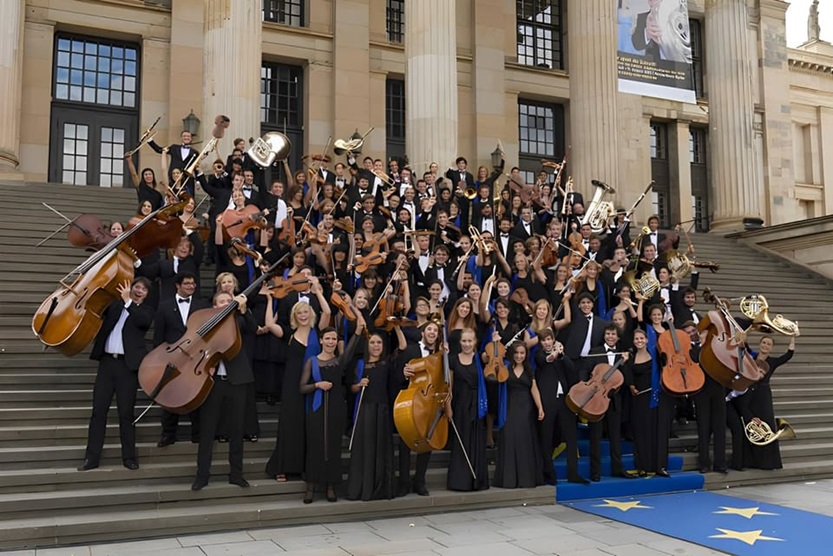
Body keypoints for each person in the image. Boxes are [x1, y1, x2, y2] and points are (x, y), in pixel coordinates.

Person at [78, 277, 153, 472]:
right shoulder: (115, 306)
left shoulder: (145, 311)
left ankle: (129, 458)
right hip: (107, 363)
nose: (139, 290)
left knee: (126, 413)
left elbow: (141, 322)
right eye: (136, 286)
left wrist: (129, 301)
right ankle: (91, 458)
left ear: (147, 295)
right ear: (130, 287)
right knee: (98, 411)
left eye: (143, 289)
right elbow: (97, 310)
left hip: (127, 367)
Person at [191, 291, 257, 491]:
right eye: (222, 301)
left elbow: (251, 329)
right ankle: (202, 475)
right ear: (214, 306)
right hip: (212, 382)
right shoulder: (207, 322)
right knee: (208, 429)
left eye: (230, 301)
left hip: (237, 380)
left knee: (237, 429)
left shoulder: (239, 319)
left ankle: (236, 474)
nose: (227, 304)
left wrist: (244, 310)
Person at [299, 325, 362, 503]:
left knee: (333, 447)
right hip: (317, 409)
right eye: (327, 338)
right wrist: (317, 385)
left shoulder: (339, 361)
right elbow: (302, 387)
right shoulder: (312, 361)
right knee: (315, 446)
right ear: (321, 340)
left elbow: (350, 349)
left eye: (334, 339)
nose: (330, 342)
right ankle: (310, 487)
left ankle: (331, 487)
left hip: (336, 408)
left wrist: (357, 330)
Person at [346, 327, 404, 501]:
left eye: (379, 342)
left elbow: (402, 347)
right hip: (365, 410)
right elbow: (352, 388)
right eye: (372, 342)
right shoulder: (360, 364)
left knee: (381, 450)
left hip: (382, 410)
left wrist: (397, 327)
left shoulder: (387, 363)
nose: (376, 345)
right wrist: (359, 384)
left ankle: (380, 488)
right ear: (367, 345)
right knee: (365, 449)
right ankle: (363, 488)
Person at [153, 272, 207, 448]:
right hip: (172, 357)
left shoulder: (201, 305)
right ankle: (168, 434)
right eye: (187, 283)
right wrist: (159, 358)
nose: (191, 286)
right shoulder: (164, 307)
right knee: (170, 395)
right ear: (178, 285)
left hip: (194, 357)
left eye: (193, 283)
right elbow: (158, 336)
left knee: (195, 393)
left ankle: (198, 433)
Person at [534, 329, 587, 484]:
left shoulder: (561, 356)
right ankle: (548, 473)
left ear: (553, 340)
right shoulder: (539, 355)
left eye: (549, 339)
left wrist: (562, 355)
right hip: (548, 402)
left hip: (565, 401)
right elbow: (546, 360)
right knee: (546, 437)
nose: (546, 343)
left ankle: (573, 473)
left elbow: (572, 371)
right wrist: (556, 354)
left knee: (571, 436)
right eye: (543, 340)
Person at [395, 320, 441, 496]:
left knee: (427, 440)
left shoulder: (439, 354)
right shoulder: (410, 350)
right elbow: (396, 372)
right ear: (422, 332)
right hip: (412, 400)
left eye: (435, 330)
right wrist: (403, 373)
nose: (432, 332)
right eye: (429, 329)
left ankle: (420, 481)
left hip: (430, 400)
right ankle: (404, 481)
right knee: (406, 440)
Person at [492, 343, 545, 488]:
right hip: (508, 406)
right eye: (516, 353)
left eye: (522, 353)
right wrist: (496, 343)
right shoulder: (506, 368)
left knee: (524, 440)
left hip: (526, 408)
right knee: (509, 438)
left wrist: (540, 407)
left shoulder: (529, 369)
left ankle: (526, 479)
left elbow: (534, 389)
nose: (519, 356)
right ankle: (509, 479)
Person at [744, 334, 797, 470]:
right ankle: (751, 460)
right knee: (751, 425)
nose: (765, 346)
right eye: (764, 343)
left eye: (768, 344)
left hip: (763, 396)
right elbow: (744, 344)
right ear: (760, 344)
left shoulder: (772, 361)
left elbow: (788, 355)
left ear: (771, 347)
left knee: (766, 425)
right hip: (749, 393)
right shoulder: (752, 357)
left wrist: (793, 337)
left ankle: (767, 462)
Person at [586, 325, 631, 481]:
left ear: (618, 337)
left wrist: (624, 363)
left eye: (613, 334)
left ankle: (617, 469)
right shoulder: (595, 351)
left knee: (615, 437)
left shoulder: (622, 355)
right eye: (607, 333)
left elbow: (626, 380)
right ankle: (595, 472)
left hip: (614, 400)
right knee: (595, 436)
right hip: (596, 399)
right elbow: (586, 373)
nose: (610, 336)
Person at [446, 328, 490, 492]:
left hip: (476, 404)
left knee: (476, 440)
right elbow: (449, 387)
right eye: (464, 341)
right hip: (459, 405)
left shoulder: (480, 358)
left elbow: (492, 356)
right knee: (461, 441)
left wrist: (495, 341)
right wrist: (448, 408)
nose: (466, 344)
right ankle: (460, 481)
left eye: (470, 341)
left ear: (475, 342)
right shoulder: (452, 360)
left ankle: (477, 480)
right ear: (460, 342)